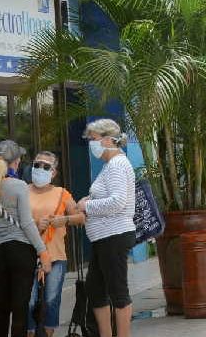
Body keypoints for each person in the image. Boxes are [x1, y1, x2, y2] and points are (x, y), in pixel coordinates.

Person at [0, 140, 53, 337]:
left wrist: (1, 224)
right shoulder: (19, 186)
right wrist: (42, 251)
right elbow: (27, 223)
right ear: (15, 161)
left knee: (1, 306)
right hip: (21, 250)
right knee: (19, 308)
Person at [78, 119, 136, 337]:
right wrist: (89, 200)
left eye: (93, 139)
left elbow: (117, 201)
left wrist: (87, 205)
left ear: (109, 140)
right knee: (96, 289)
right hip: (103, 237)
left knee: (117, 291)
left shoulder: (118, 165)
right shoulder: (110, 166)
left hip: (114, 235)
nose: (91, 144)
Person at [25, 151, 85, 337]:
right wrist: (35, 225)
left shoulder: (62, 194)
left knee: (51, 300)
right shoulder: (22, 191)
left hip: (55, 256)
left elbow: (81, 217)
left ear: (54, 173)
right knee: (29, 301)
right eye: (37, 165)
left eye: (46, 166)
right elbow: (15, 222)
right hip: (27, 254)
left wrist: (64, 219)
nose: (40, 169)